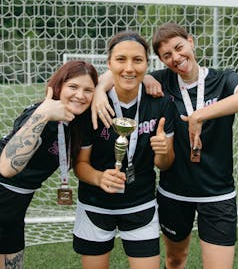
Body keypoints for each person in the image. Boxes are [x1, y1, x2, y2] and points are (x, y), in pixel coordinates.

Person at [93, 23, 238, 269]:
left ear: (190, 42)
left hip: (218, 193)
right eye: (167, 56)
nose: (176, 58)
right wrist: (98, 91)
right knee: (174, 259)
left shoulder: (223, 79)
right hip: (174, 193)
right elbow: (121, 72)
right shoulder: (163, 80)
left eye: (179, 48)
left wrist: (199, 116)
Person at [0, 60, 98, 269]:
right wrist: (42, 115)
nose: (80, 95)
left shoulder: (78, 123)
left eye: (88, 90)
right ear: (58, 86)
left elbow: (110, 79)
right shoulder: (39, 115)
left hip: (14, 210)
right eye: (73, 87)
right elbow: (6, 168)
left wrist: (103, 89)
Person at [72, 31, 175, 269]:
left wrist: (162, 151)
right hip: (94, 203)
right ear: (109, 63)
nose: (129, 68)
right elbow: (80, 165)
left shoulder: (161, 103)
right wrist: (99, 177)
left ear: (148, 64)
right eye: (121, 59)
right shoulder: (92, 105)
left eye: (137, 60)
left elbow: (165, 164)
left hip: (141, 203)